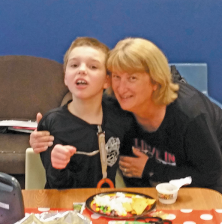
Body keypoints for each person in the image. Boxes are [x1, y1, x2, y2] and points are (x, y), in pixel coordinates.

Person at [30, 37, 222, 193]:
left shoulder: (190, 115)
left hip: (205, 187)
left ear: (155, 81)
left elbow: (211, 175)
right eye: (117, 77)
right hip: (149, 192)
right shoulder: (115, 105)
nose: (121, 88)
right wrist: (45, 134)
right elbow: (80, 114)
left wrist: (151, 169)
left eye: (132, 78)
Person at [36, 37, 132, 189]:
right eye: (74, 65)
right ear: (65, 78)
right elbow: (57, 186)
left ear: (107, 81)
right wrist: (57, 165)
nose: (81, 70)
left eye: (93, 67)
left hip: (106, 205)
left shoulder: (120, 116)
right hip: (65, 205)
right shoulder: (52, 122)